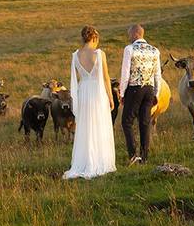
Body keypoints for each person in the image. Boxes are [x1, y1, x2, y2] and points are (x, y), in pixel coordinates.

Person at [63, 25, 117, 179]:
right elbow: (106, 78)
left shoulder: (75, 55)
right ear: (94, 38)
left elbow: (75, 79)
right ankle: (100, 160)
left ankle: (85, 160)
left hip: (83, 92)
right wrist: (111, 98)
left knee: (86, 126)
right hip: (97, 92)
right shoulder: (99, 54)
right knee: (99, 124)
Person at [119, 24, 162, 166]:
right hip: (149, 89)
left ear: (135, 34)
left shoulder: (129, 49)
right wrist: (157, 93)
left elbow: (125, 73)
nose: (128, 37)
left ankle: (133, 155)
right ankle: (144, 157)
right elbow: (157, 74)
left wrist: (122, 92)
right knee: (145, 122)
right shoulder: (154, 50)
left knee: (126, 121)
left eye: (129, 35)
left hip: (134, 88)